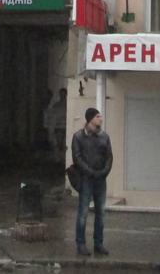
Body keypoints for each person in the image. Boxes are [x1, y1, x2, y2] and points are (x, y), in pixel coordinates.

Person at [70, 107, 112, 257]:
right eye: (98, 116)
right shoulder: (78, 137)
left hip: (100, 180)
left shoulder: (104, 137)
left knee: (101, 212)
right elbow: (77, 158)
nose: (101, 119)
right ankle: (80, 243)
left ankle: (98, 243)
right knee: (83, 212)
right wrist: (90, 172)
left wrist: (104, 172)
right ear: (90, 119)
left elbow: (109, 157)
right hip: (86, 179)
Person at [44, 87, 67, 159]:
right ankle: (58, 160)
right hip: (58, 127)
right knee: (57, 144)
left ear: (66, 95)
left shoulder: (69, 105)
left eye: (63, 94)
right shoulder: (56, 105)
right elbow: (52, 118)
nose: (62, 96)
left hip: (66, 127)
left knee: (64, 145)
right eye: (61, 94)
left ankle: (62, 160)